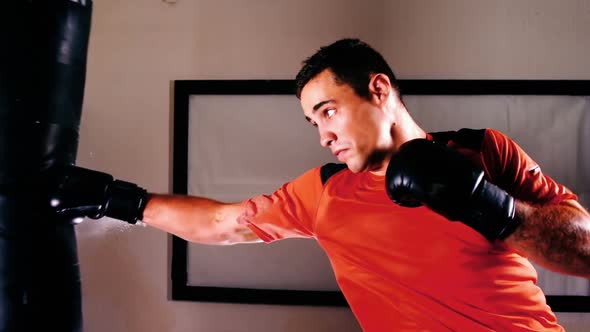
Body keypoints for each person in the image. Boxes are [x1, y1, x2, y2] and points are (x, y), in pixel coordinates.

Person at [45, 38, 590, 331]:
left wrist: (485, 203)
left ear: (378, 89)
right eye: (314, 122)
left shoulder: (483, 151)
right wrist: (114, 199)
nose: (324, 135)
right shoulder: (325, 193)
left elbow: (583, 251)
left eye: (328, 110)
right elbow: (221, 223)